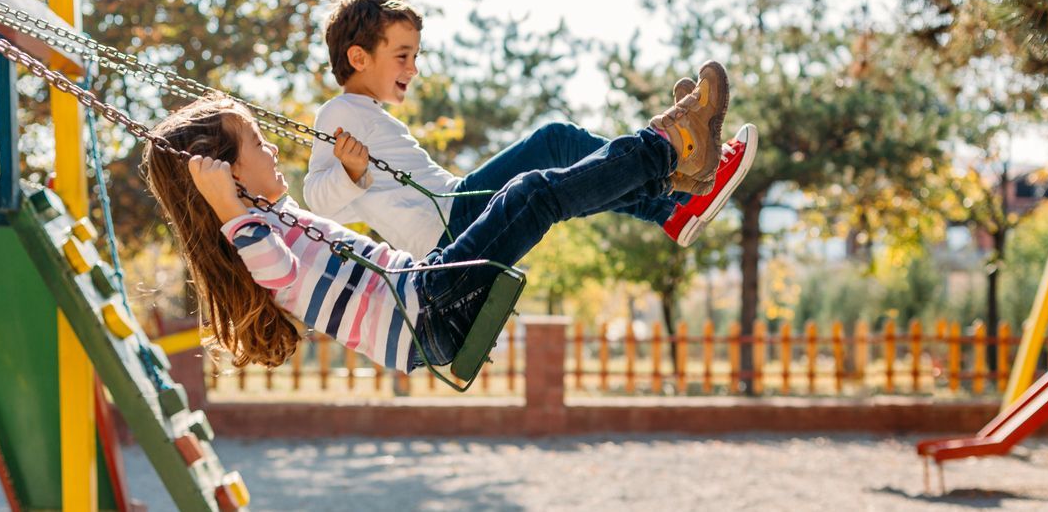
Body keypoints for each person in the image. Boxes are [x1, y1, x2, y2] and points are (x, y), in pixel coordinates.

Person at [141, 76, 747, 373]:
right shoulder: (253, 238)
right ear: (228, 175)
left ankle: (673, 178)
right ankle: (668, 149)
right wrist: (225, 207)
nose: (271, 149)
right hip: (426, 308)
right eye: (255, 143)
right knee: (532, 194)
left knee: (530, 187)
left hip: (426, 292)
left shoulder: (265, 219)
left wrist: (238, 203)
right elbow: (282, 270)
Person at [303, 0, 757, 256]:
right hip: (448, 226)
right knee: (556, 141)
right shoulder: (338, 112)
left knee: (565, 169)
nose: (413, 68)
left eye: (415, 55)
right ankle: (677, 191)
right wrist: (349, 171)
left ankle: (674, 204)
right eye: (402, 55)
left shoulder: (363, 112)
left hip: (453, 211)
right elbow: (317, 202)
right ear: (359, 58)